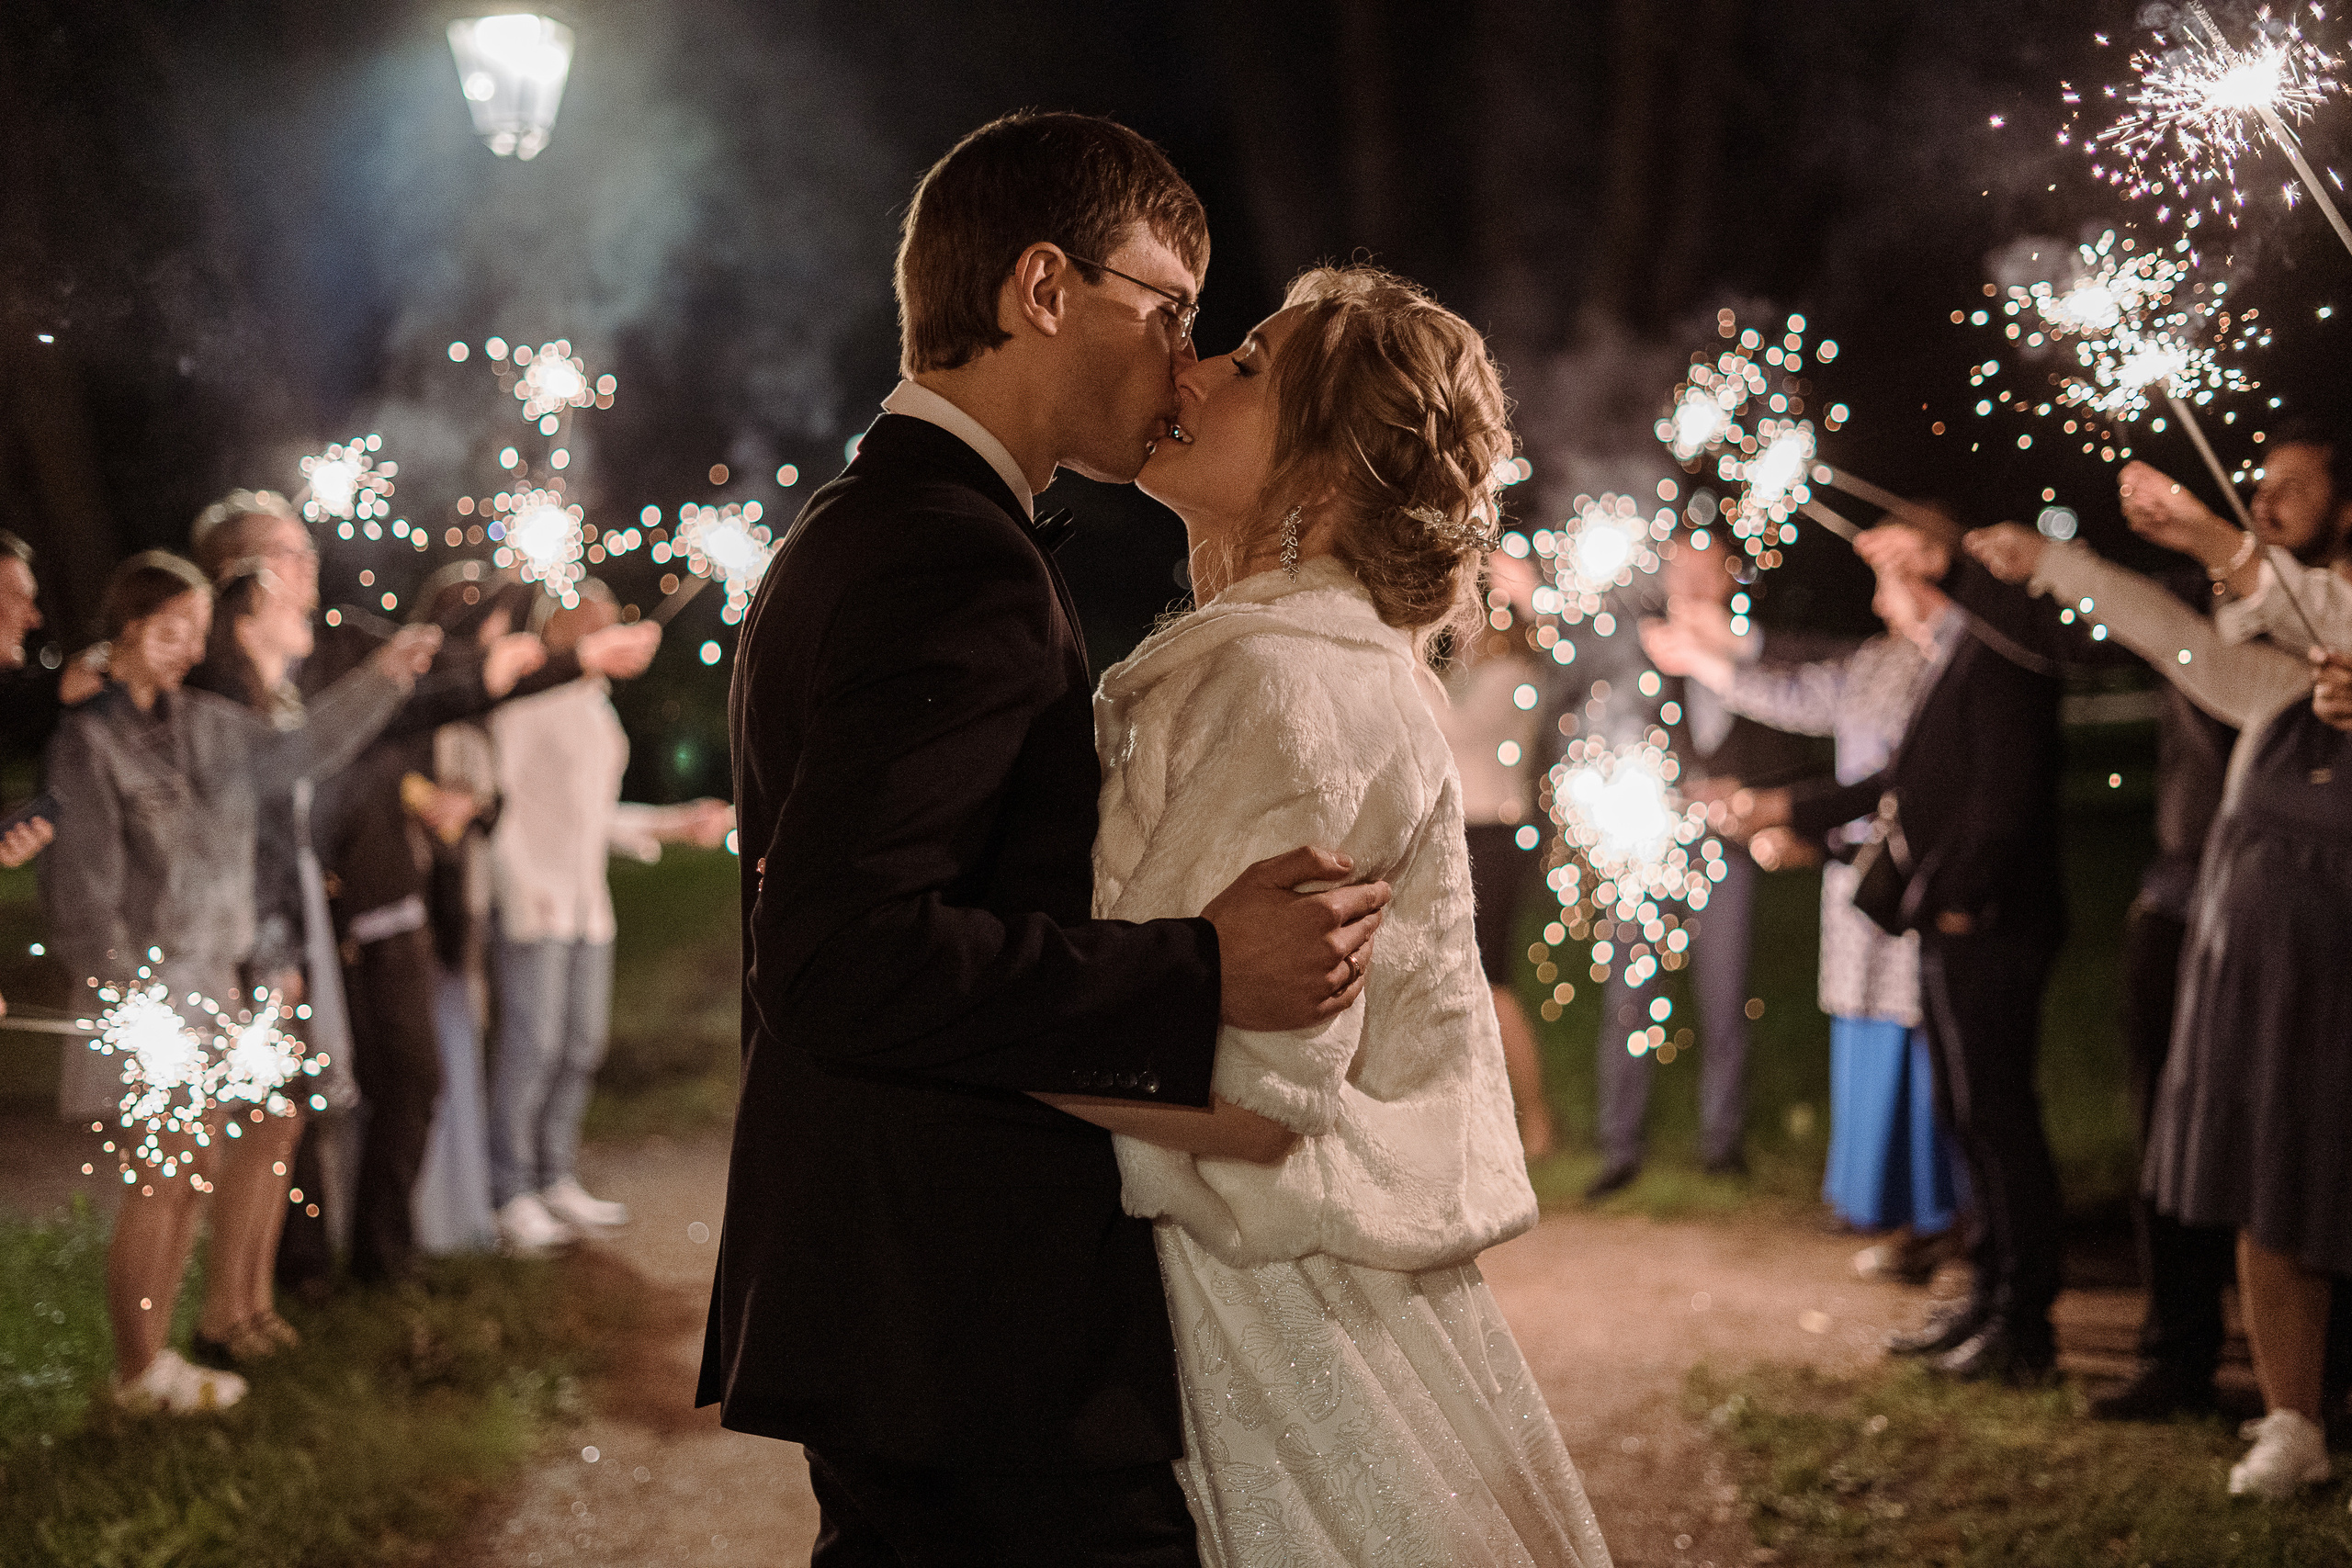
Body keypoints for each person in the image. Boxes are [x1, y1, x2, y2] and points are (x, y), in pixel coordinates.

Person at [700, 112, 1393, 1565]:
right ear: (1042, 289)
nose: (1182, 359)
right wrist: (1205, 971)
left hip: (914, 1305)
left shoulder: (871, 523)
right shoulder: (950, 557)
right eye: (1169, 308)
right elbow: (841, 953)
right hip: (965, 1316)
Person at [1045, 265, 1611, 1565]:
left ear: (1333, 465)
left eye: (1246, 364)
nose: (1190, 366)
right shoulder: (1301, 659)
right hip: (1291, 1291)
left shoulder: (1285, 684)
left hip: (1264, 1325)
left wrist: (953, 1019)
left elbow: (1249, 1102)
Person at [1966, 517, 2352, 1499]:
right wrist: (2054, 565)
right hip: (2267, 980)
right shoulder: (2281, 696)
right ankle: (2292, 1420)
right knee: (2271, 1186)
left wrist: (2216, 537)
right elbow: (2168, 636)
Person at [41, 551, 433, 1413]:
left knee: (195, 1170)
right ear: (128, 630)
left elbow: (304, 749)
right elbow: (81, 902)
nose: (187, 647)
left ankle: (167, 1357)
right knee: (160, 1175)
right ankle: (138, 1369)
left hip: (213, 984)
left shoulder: (213, 728)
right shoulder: (88, 743)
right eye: (169, 628)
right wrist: (134, 1006)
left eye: (197, 631)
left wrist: (383, 679)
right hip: (148, 998)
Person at [1720, 540, 2068, 1384]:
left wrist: (1961, 893)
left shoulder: (2000, 658)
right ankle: (1988, 1296)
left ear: (1927, 576)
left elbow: (2004, 795)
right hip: (1951, 924)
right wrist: (1789, 807)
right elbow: (1898, 787)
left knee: (1999, 1118)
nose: (1881, 605)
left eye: (1891, 581)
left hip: (1991, 923)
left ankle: (2026, 1323)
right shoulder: (1950, 661)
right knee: (1968, 1112)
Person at [1642, 561, 1962, 1278]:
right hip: (1857, 876)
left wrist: (1794, 816)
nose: (1874, 591)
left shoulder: (1953, 665)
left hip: (1914, 878)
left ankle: (1941, 1217)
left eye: (1890, 574)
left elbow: (1896, 784)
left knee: (1917, 1040)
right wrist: (1704, 660)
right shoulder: (1875, 660)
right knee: (1867, 1027)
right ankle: (1884, 1206)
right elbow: (1796, 695)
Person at [484, 579, 730, 1253]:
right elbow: (496, 805)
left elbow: (596, 819)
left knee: (579, 1043)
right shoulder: (525, 704)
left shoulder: (597, 710)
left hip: (588, 903)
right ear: (561, 632)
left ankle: (553, 1172)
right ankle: (508, 1190)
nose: (614, 628)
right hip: (534, 897)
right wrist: (517, 884)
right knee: (529, 1046)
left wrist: (677, 824)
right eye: (593, 620)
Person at [1585, 530, 1810, 1197]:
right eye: (1678, 568)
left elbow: (1781, 742)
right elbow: (1611, 735)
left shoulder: (1754, 654)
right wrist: (1674, 790)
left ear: (1728, 577)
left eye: (1703, 569)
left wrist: (1746, 798)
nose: (1688, 580)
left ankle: (1722, 1144)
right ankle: (1619, 1148)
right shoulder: (1641, 653)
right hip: (1646, 850)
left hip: (1730, 851)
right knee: (1629, 1000)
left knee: (1724, 997)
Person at [1436, 547, 1555, 1159]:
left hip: (1493, 836)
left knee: (1493, 980)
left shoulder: (1518, 678)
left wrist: (1401, 662)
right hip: (1457, 830)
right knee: (1457, 981)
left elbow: (1451, 731)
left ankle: (1536, 1122)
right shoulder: (1465, 674)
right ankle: (1469, 1118)